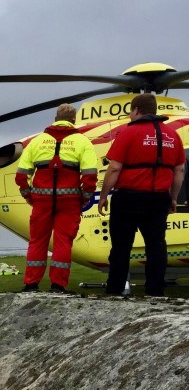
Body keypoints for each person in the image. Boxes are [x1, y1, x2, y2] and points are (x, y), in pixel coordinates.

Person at [97, 93, 185, 296]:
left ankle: (115, 290)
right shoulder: (173, 135)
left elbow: (114, 168)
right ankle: (155, 290)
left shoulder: (128, 133)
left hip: (128, 197)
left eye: (130, 111)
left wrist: (103, 195)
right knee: (156, 246)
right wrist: (173, 197)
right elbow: (179, 171)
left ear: (136, 110)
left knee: (121, 246)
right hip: (158, 199)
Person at [15, 103, 98, 292]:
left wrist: (29, 195)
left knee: (37, 241)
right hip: (69, 202)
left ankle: (31, 283)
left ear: (55, 119)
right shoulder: (82, 142)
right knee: (63, 242)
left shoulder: (37, 141)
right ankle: (58, 285)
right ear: (73, 120)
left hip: (41, 201)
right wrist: (84, 197)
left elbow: (21, 176)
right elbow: (90, 176)